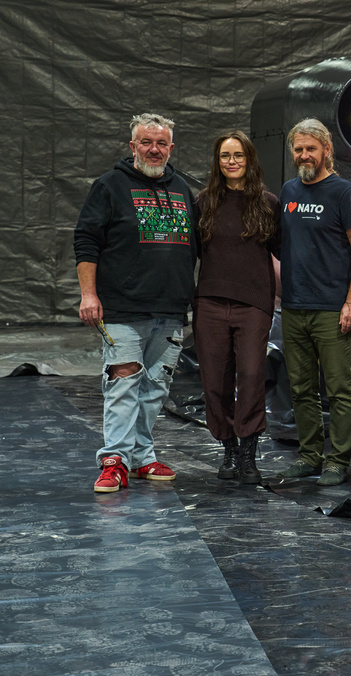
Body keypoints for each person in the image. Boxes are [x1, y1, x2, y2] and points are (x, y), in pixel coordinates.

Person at [74, 112, 197, 494]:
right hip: (123, 309)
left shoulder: (182, 189)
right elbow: (86, 240)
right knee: (124, 384)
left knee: (155, 388)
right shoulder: (109, 185)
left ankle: (142, 457)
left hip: (170, 310)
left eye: (161, 143)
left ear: (171, 148)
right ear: (133, 146)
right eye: (146, 142)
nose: (154, 149)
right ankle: (114, 460)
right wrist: (89, 294)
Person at [275, 117, 351, 486]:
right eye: (298, 149)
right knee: (301, 389)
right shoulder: (288, 191)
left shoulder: (344, 192)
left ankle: (337, 461)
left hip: (332, 309)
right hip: (294, 306)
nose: (304, 155)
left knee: (339, 389)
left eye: (311, 148)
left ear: (326, 150)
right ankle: (310, 456)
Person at [194, 131, 281, 484]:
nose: (232, 162)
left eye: (238, 155)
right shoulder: (203, 203)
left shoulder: (268, 203)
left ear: (250, 159)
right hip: (210, 304)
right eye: (225, 156)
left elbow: (284, 249)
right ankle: (228, 449)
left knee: (250, 377)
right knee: (214, 382)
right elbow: (190, 252)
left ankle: (248, 454)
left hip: (254, 304)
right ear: (217, 161)